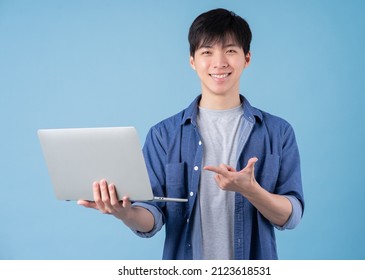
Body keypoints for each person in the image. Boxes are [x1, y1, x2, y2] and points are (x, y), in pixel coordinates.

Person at [78, 8, 304, 260]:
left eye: (230, 50)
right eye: (207, 52)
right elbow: (152, 216)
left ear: (246, 58)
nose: (219, 62)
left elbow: (291, 216)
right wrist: (124, 213)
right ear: (192, 61)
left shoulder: (277, 131)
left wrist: (252, 190)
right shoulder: (163, 135)